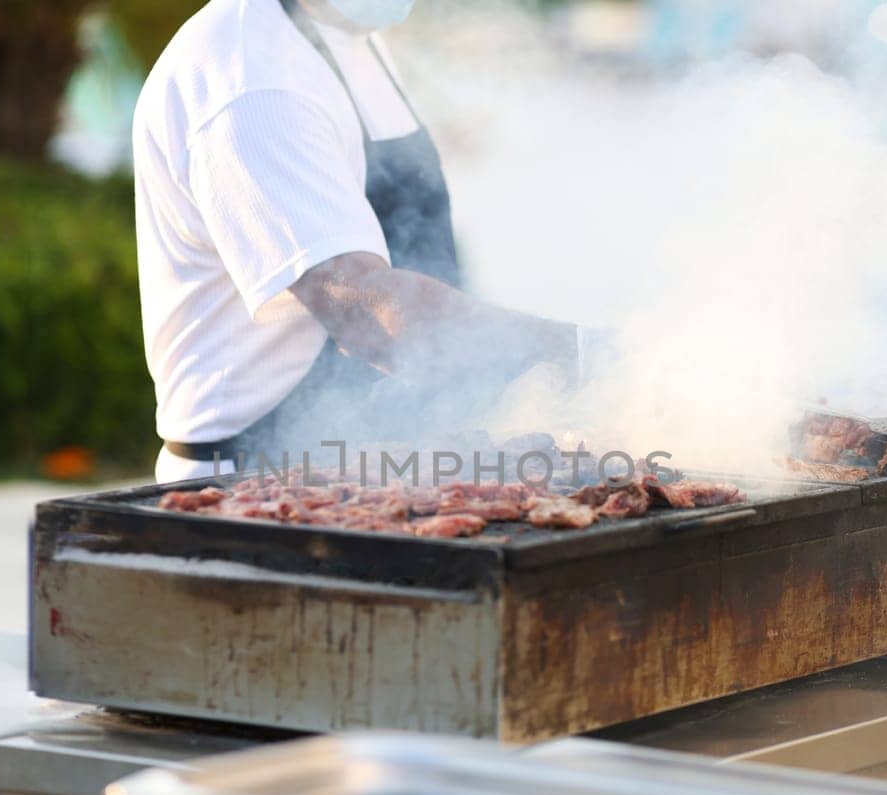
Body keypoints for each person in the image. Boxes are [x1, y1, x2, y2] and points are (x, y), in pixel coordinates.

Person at [133, 0, 590, 483]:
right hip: (254, 484)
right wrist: (580, 353)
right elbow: (366, 310)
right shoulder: (250, 79)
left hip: (378, 462)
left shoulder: (343, 37)